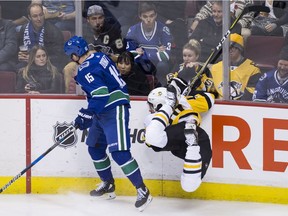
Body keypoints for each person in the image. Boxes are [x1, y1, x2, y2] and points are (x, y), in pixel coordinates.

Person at [63, 36, 152, 211]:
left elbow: (101, 94)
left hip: (114, 108)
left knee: (119, 153)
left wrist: (86, 114)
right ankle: (108, 184)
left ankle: (143, 190)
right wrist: (89, 114)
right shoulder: (99, 56)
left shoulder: (86, 69)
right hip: (102, 110)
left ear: (74, 55)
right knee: (95, 147)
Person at [144, 77, 214, 193]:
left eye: (152, 105)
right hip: (197, 137)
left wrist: (183, 98)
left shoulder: (153, 118)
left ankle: (170, 105)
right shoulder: (187, 102)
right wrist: (191, 94)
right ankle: (192, 146)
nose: (150, 109)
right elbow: (210, 99)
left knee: (153, 139)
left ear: (159, 105)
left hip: (177, 135)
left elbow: (150, 142)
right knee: (189, 186)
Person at [125, 1, 173, 86]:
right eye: (145, 16)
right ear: (140, 16)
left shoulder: (163, 29)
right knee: (133, 65)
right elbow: (128, 54)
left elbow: (166, 56)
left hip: (157, 65)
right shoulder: (133, 30)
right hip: (141, 63)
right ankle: (136, 91)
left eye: (151, 16)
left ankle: (161, 88)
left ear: (155, 15)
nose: (148, 20)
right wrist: (157, 52)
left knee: (163, 65)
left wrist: (141, 53)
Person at [209, 33, 261, 100]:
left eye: (233, 47)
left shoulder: (253, 69)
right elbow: (210, 90)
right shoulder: (215, 68)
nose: (229, 50)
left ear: (240, 49)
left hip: (240, 107)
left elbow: (252, 94)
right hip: (218, 105)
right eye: (226, 47)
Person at [17, 2, 67, 71]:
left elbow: (58, 56)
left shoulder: (54, 31)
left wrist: (35, 58)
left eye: (41, 15)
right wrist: (20, 56)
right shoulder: (24, 29)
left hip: (48, 63)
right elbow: (20, 48)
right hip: (28, 62)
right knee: (18, 68)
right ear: (29, 17)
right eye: (35, 16)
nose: (39, 19)